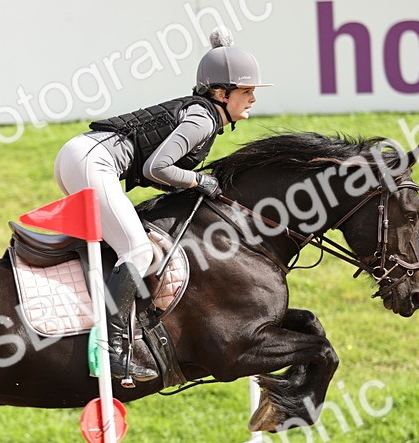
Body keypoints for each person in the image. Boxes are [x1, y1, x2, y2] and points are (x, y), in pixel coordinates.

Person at [52, 28, 271, 385]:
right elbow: (157, 168)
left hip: (80, 157)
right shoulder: (203, 119)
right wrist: (199, 181)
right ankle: (112, 351)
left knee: (129, 247)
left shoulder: (203, 114)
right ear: (221, 93)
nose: (252, 99)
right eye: (246, 91)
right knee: (137, 250)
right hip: (93, 161)